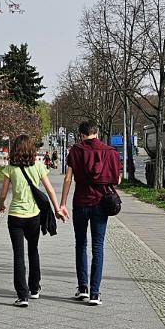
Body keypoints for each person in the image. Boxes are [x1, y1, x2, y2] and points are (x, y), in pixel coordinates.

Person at [0, 135, 66, 306]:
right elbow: (50, 190)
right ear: (31, 149)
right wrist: (57, 209)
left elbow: (4, 192)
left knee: (18, 255)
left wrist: (1, 204)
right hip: (34, 216)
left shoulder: (10, 168)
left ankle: (22, 296)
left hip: (15, 216)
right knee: (33, 250)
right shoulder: (38, 166)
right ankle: (34, 289)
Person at [60, 120, 120, 306]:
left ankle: (83, 288)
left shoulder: (75, 151)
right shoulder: (110, 152)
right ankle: (95, 293)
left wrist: (62, 203)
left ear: (81, 134)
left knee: (80, 244)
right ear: (97, 132)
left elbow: (68, 179)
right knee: (98, 246)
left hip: (80, 202)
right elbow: (117, 179)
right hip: (101, 203)